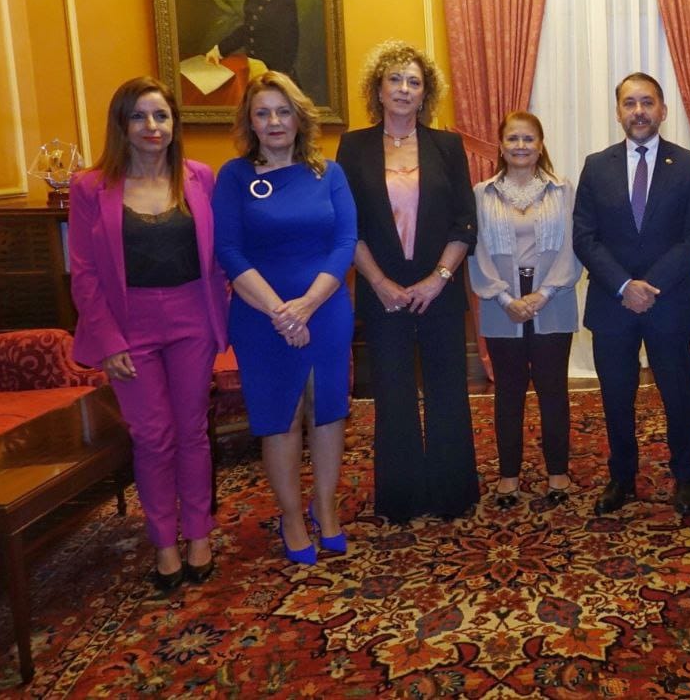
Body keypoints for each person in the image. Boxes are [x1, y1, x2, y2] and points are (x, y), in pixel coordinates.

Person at [69, 77, 228, 592]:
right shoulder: (90, 187)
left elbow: (218, 259)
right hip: (129, 324)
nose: (152, 127)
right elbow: (85, 272)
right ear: (122, 125)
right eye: (139, 117)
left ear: (174, 124)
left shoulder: (200, 177)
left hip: (191, 319)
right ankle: (163, 542)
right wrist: (109, 339)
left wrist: (219, 311)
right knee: (153, 435)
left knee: (192, 430)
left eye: (160, 116)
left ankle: (199, 534)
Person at [212, 72, 356, 565]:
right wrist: (280, 310)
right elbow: (228, 249)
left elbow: (343, 245)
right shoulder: (233, 176)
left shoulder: (328, 173)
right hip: (261, 316)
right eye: (263, 113)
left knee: (327, 408)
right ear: (249, 121)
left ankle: (327, 507)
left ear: (299, 116)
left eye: (283, 111)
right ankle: (292, 516)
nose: (274, 121)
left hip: (326, 309)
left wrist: (307, 305)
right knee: (282, 415)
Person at [335, 40, 479, 524]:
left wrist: (438, 279)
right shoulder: (352, 147)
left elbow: (465, 221)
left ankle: (451, 493)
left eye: (413, 81)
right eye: (394, 79)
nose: (403, 88)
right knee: (393, 394)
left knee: (448, 391)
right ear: (377, 88)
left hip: (439, 290)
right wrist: (378, 283)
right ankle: (401, 497)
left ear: (426, 93)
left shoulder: (448, 146)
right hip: (382, 295)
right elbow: (346, 226)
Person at [573, 72, 690, 517]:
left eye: (647, 102)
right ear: (618, 112)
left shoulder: (688, 164)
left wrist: (651, 285)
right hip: (612, 304)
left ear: (662, 110)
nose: (639, 111)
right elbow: (584, 237)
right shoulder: (597, 165)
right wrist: (623, 285)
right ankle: (621, 477)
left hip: (668, 301)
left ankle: (685, 476)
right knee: (616, 395)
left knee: (679, 395)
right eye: (630, 103)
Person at [468, 111, 582, 509]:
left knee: (554, 391)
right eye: (513, 139)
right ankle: (509, 475)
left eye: (528, 139)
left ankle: (557, 471)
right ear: (501, 145)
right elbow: (475, 251)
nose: (520, 146)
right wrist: (504, 298)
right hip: (503, 305)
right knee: (509, 394)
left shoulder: (562, 190)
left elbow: (574, 245)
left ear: (540, 144)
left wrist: (545, 293)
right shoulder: (482, 194)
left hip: (553, 300)